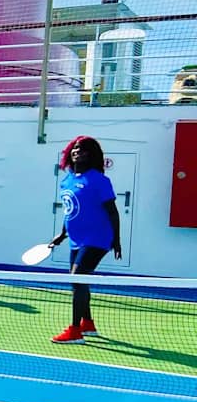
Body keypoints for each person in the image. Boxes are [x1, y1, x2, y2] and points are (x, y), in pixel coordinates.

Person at [46, 135, 121, 344]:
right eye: (75, 148)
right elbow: (69, 210)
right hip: (76, 239)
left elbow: (113, 212)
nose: (76, 151)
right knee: (78, 282)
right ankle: (87, 323)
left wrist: (116, 240)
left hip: (98, 237)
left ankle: (75, 331)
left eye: (82, 149)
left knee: (77, 278)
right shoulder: (67, 180)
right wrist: (62, 234)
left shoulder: (99, 180)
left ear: (91, 155)